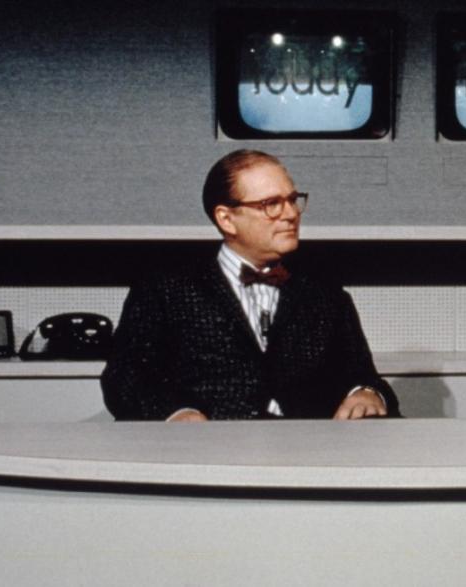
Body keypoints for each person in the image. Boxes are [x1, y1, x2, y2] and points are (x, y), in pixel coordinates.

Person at [101, 149, 399, 421]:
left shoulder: (324, 292)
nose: (291, 214)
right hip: (208, 450)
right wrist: (178, 413)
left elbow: (363, 376)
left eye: (292, 199)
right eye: (272, 204)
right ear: (226, 219)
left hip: (308, 450)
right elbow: (124, 378)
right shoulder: (165, 290)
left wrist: (367, 393)